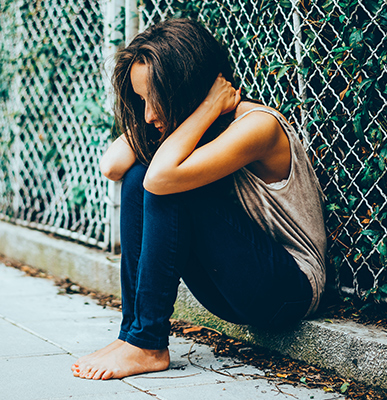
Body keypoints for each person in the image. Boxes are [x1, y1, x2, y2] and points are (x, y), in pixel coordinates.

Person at [71, 18, 326, 381]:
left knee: (162, 182)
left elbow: (162, 179)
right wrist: (200, 112)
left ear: (184, 87)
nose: (148, 115)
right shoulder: (189, 133)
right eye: (141, 100)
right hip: (232, 286)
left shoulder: (258, 126)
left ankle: (147, 344)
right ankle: (134, 334)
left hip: (288, 291)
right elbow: (112, 166)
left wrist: (207, 107)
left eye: (154, 98)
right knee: (138, 177)